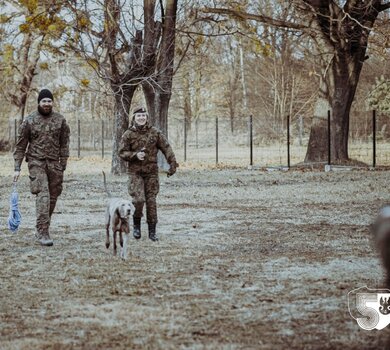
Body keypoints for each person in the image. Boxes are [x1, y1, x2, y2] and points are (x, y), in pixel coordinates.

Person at [13, 89, 70, 246]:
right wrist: (17, 167)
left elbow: (64, 143)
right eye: (44, 101)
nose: (46, 104)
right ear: (39, 102)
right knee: (43, 195)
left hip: (54, 164)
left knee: (52, 197)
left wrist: (63, 163)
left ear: (52, 102)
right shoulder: (29, 120)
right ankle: (43, 232)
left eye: (49, 101)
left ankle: (42, 227)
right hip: (36, 162)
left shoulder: (60, 120)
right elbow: (20, 146)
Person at [118, 106, 178, 241]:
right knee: (138, 200)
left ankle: (152, 231)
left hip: (151, 173)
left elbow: (166, 147)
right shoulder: (128, 134)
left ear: (147, 117)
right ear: (134, 118)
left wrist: (172, 163)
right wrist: (134, 155)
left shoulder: (154, 133)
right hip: (135, 173)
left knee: (151, 202)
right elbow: (121, 152)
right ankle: (137, 226)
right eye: (139, 116)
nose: (141, 118)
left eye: (143, 116)